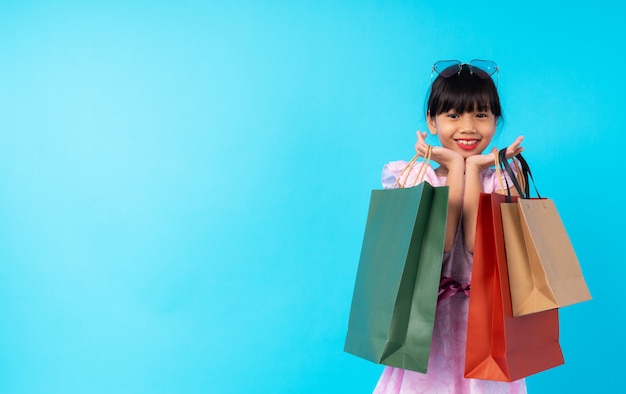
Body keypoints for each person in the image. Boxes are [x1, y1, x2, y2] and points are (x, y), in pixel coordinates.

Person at [373, 60, 527, 393]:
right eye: (453, 115)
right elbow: (438, 244)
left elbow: (477, 243)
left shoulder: (506, 178)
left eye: (481, 115)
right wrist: (456, 166)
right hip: (424, 327)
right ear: (431, 120)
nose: (468, 127)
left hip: (487, 328)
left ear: (496, 120)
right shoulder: (413, 177)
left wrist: (474, 171)